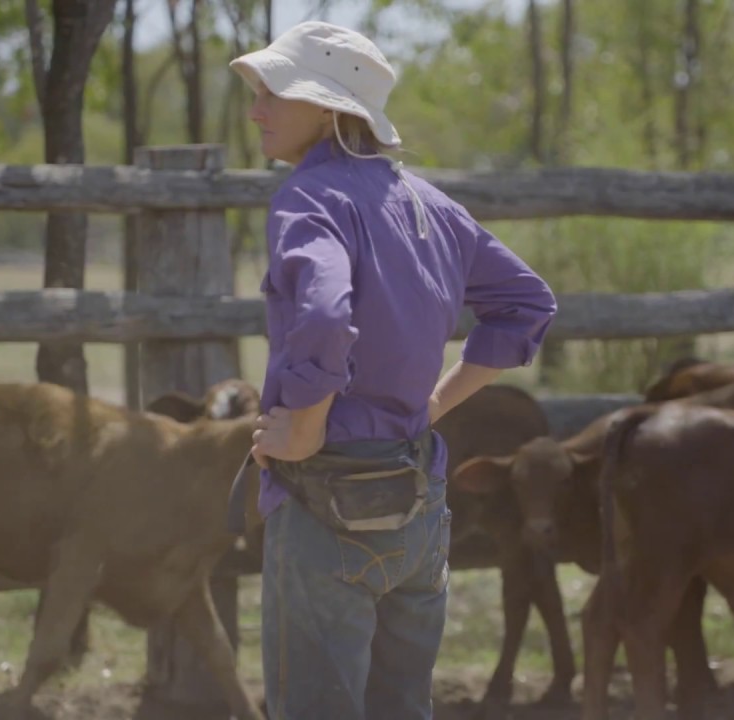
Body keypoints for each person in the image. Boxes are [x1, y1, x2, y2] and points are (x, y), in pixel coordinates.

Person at [227, 20, 557, 720]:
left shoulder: (309, 198)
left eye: (274, 92)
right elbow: (527, 305)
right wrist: (435, 403)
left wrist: (306, 426)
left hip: (328, 503)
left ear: (330, 108)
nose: (256, 110)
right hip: (416, 504)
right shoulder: (429, 205)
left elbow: (321, 315)